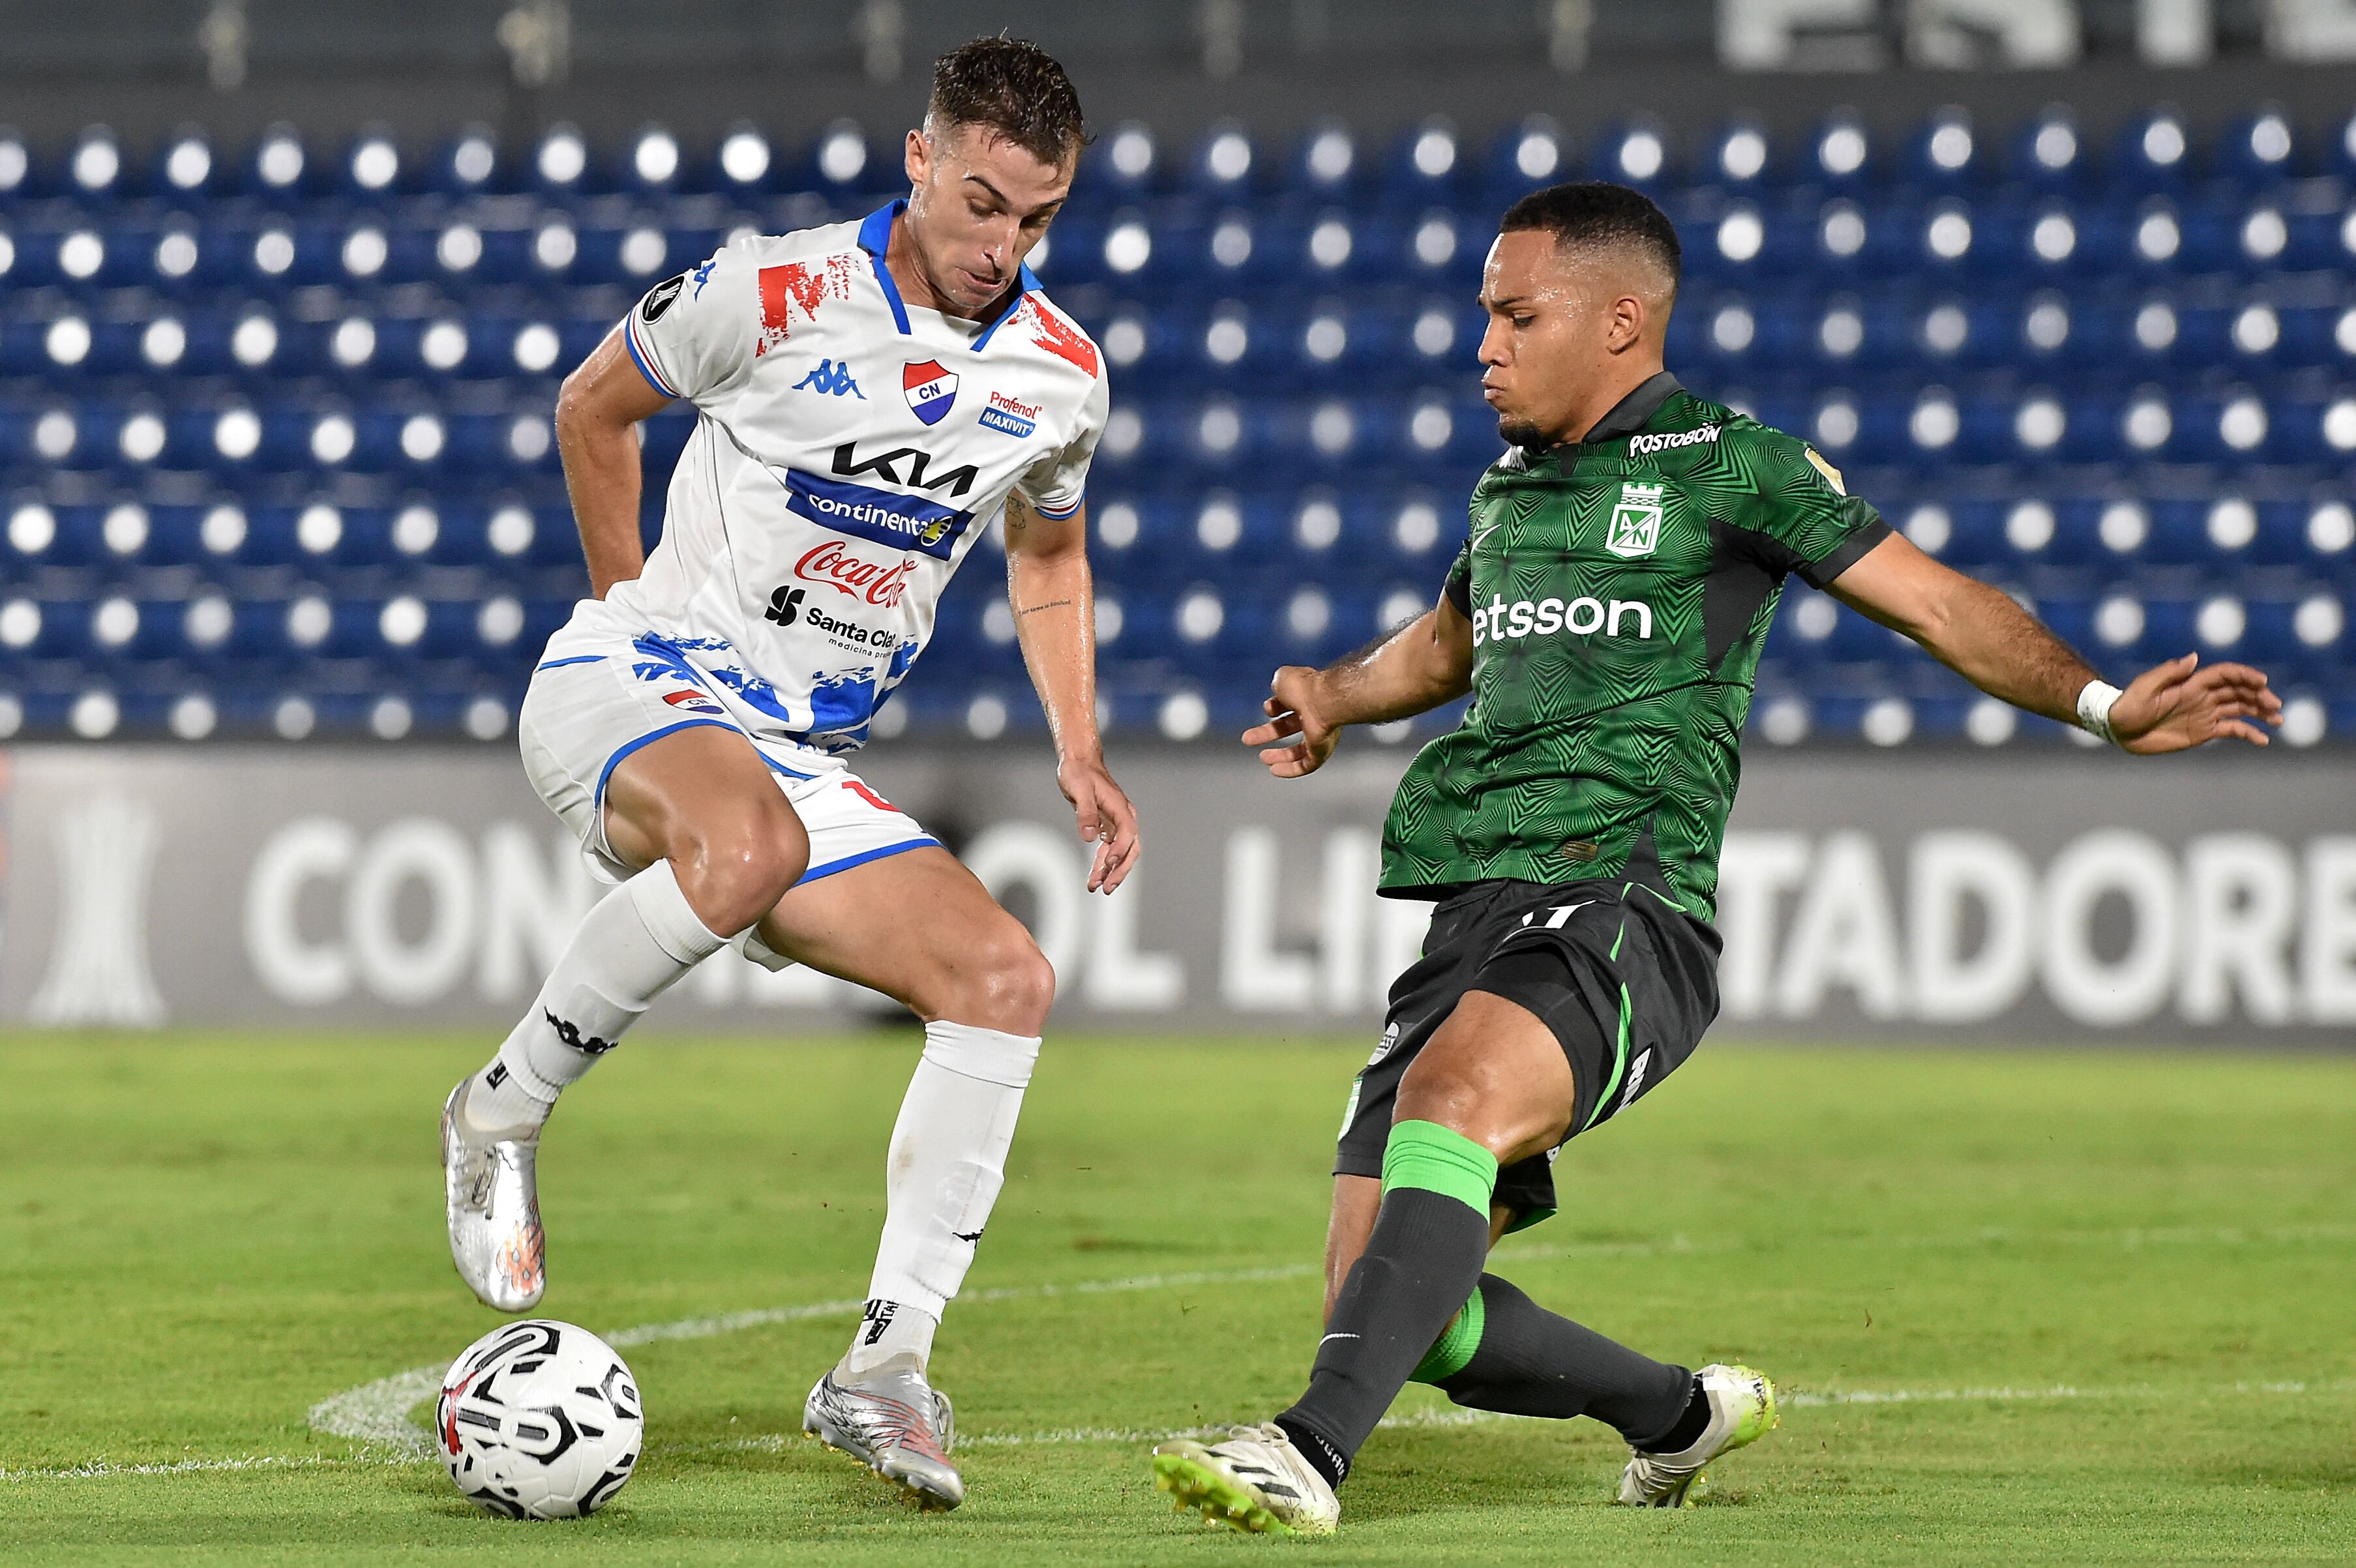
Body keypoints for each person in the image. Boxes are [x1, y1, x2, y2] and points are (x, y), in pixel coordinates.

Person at [1150, 181, 2280, 1537]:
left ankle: (1307, 1455)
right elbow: (1453, 643)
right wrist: (1337, 693)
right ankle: (1678, 1415)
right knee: (1394, 1310)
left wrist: (2100, 707)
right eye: (1483, 318)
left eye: (1517, 315)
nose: (1484, 347)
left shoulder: (1728, 463)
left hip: (1628, 899)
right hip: (1474, 908)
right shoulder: (1510, 486)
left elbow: (1933, 601)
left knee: (1451, 1110)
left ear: (1620, 319)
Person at [440, 37, 1135, 1512]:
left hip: (801, 756)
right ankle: (499, 1112)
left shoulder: (1060, 378)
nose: (1001, 246)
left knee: (1005, 979)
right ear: (919, 160)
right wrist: (631, 615)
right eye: (981, 202)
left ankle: (883, 1372)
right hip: (630, 682)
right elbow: (590, 409)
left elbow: (1051, 551)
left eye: (1038, 217)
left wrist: (1080, 747)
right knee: (741, 848)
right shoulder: (771, 290)